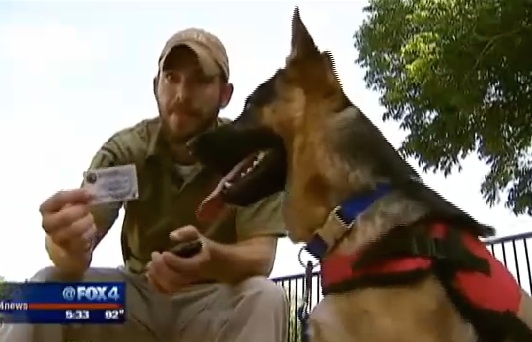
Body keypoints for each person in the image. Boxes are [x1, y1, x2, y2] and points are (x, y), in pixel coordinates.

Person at [0, 28, 288, 342]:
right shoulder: (127, 152)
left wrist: (210, 259)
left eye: (200, 80)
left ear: (225, 94)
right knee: (42, 292)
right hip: (129, 301)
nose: (181, 94)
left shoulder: (250, 155)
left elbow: (261, 256)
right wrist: (65, 244)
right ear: (156, 86)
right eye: (171, 78)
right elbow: (78, 246)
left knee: (266, 297)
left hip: (211, 299)